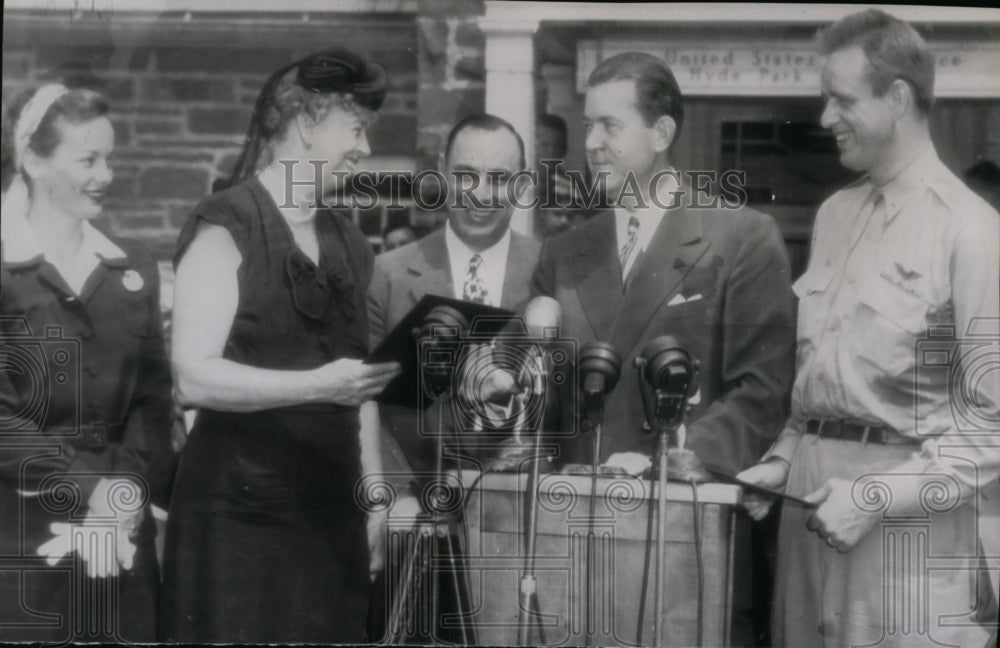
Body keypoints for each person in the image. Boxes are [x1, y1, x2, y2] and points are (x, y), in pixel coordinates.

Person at [736, 10, 1000, 647]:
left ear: (899, 98)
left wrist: (877, 495)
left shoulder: (971, 231)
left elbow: (992, 424)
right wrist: (782, 460)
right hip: (808, 516)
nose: (825, 118)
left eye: (841, 99)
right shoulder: (834, 215)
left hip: (909, 534)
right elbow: (817, 384)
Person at [530, 52, 796, 645]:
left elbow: (764, 391)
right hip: (572, 536)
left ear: (662, 132)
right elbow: (542, 400)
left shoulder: (741, 237)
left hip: (688, 536)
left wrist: (667, 461)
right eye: (587, 126)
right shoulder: (565, 251)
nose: (592, 143)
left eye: (610, 125)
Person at [158, 48, 401, 643]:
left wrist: (374, 495)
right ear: (309, 123)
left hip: (331, 522)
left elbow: (360, 387)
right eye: (357, 128)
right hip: (238, 523)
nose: (365, 148)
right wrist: (319, 385)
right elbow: (193, 377)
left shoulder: (348, 241)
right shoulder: (226, 224)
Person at [0, 84, 174, 643]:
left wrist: (121, 496)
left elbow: (152, 401)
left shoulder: (133, 266)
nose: (106, 174)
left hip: (121, 530)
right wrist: (87, 489)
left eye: (110, 158)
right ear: (32, 159)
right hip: (21, 528)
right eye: (88, 159)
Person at [366, 113, 540, 642]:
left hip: (523, 524)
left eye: (499, 178)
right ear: (441, 173)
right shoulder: (391, 272)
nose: (481, 194)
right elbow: (364, 397)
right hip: (415, 524)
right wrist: (394, 493)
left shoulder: (554, 271)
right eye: (466, 175)